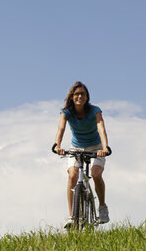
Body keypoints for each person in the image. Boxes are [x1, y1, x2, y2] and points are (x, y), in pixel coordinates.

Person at [53, 81, 110, 228]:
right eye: (77, 94)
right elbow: (61, 129)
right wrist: (57, 146)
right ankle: (72, 216)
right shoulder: (66, 113)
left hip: (96, 147)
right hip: (76, 147)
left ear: (87, 97)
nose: (80, 96)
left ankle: (102, 207)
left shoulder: (95, 111)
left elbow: (101, 129)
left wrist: (105, 147)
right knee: (72, 176)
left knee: (96, 174)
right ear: (72, 97)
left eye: (83, 94)